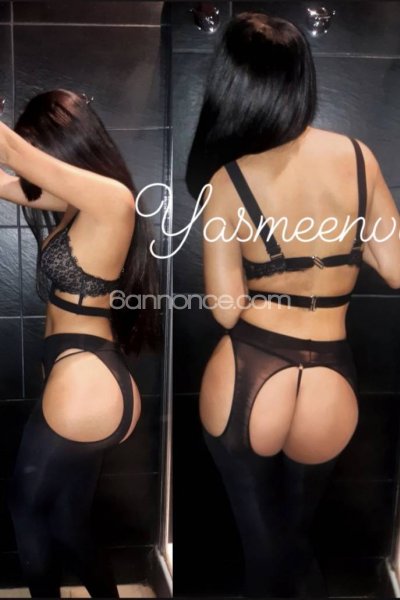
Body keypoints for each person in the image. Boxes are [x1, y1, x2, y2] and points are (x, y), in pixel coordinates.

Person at [186, 12, 400, 598]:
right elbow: (395, 267)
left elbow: (226, 309)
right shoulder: (358, 158)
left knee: (262, 552)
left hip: (251, 368)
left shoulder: (228, 179)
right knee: (295, 544)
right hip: (331, 372)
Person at [0, 89, 161, 598]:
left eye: (40, 147)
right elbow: (6, 180)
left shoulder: (112, 200)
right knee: (68, 520)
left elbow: (12, 154)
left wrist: (14, 144)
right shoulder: (74, 205)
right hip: (79, 377)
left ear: (65, 142)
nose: (36, 160)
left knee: (26, 510)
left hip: (87, 377)